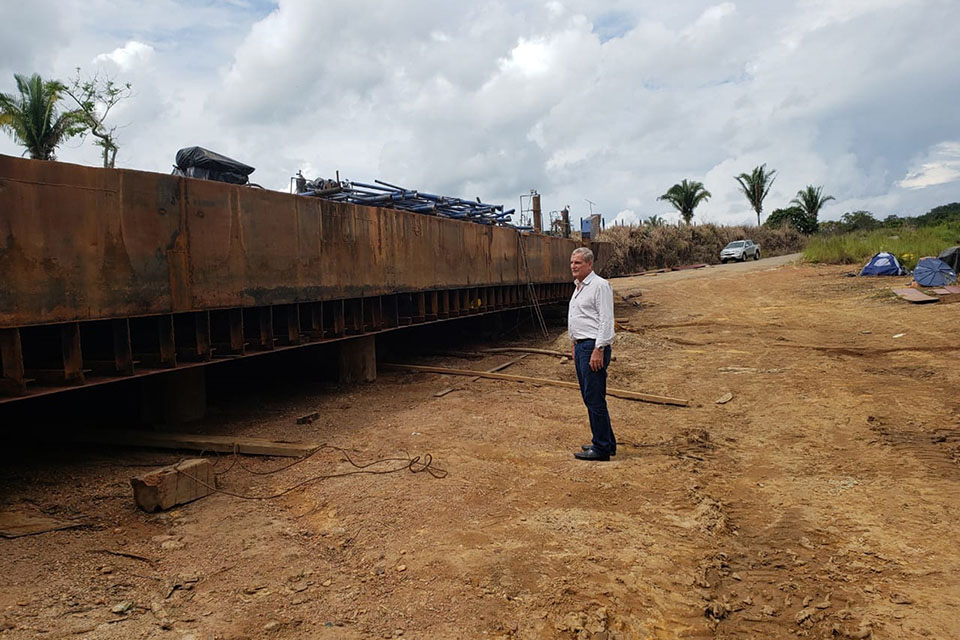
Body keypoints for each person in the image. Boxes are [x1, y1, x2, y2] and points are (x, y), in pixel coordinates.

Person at [568, 247, 616, 461]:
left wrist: (599, 349)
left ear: (589, 264)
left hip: (592, 347)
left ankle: (601, 448)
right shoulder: (578, 287)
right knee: (590, 396)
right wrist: (573, 344)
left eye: (577, 263)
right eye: (572, 262)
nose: (573, 266)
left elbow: (606, 320)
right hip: (581, 346)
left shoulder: (599, 286)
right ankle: (606, 441)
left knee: (594, 397)